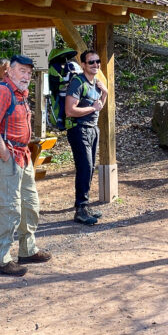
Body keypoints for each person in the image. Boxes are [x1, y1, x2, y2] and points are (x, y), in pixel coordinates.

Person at [0, 54, 52, 277]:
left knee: (29, 204)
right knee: (10, 208)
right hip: (7, 158)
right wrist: (5, 156)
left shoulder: (20, 94)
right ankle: (2, 260)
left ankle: (27, 249)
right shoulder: (1, 92)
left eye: (29, 72)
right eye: (22, 71)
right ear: (9, 72)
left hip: (22, 157)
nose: (26, 76)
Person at [65, 49, 107, 225]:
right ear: (83, 65)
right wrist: (92, 108)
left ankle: (85, 206)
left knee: (89, 169)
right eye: (91, 62)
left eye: (97, 62)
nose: (96, 65)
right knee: (85, 167)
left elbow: (99, 106)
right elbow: (70, 110)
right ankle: (80, 209)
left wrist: (104, 93)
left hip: (92, 129)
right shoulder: (77, 82)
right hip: (79, 129)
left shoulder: (95, 83)